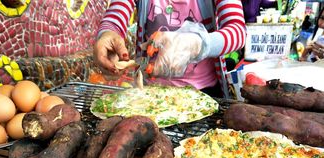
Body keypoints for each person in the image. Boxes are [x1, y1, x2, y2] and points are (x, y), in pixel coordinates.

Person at [93, 0, 246, 97]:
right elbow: (114, 18)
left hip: (206, 92)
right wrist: (107, 35)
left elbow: (238, 31)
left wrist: (198, 44)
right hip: (150, 93)